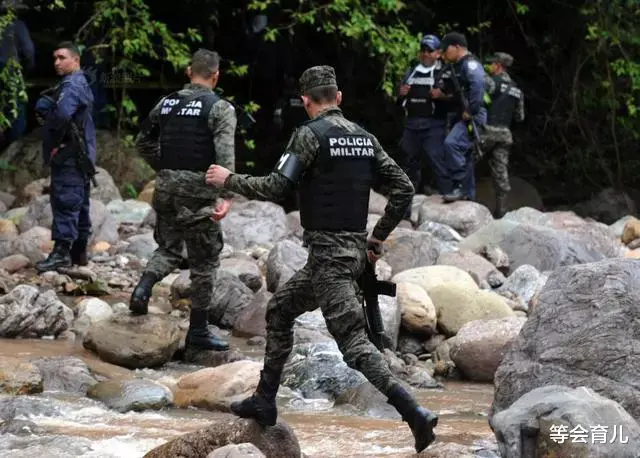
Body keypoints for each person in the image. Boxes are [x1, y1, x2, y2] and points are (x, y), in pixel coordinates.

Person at [206, 65, 438, 453]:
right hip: (344, 257)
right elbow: (404, 187)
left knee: (353, 343)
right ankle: (264, 401)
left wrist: (228, 179)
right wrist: (376, 238)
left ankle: (414, 411)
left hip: (330, 261)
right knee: (279, 310)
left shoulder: (309, 136)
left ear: (305, 101)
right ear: (339, 98)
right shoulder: (364, 138)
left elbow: (278, 185)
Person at [130, 48, 236, 352]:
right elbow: (225, 155)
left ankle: (143, 288)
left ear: (189, 72)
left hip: (165, 189)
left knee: (168, 248)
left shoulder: (167, 103)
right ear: (216, 75)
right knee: (205, 261)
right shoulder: (220, 108)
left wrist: (164, 168)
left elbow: (143, 141)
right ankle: (198, 331)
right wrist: (226, 194)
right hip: (198, 193)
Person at [34, 41, 96, 273]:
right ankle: (78, 252)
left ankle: (61, 253)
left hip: (69, 154)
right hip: (81, 155)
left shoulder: (71, 85)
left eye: (62, 58)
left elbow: (60, 116)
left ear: (76, 60)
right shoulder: (80, 83)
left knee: (66, 201)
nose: (56, 62)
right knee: (79, 202)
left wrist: (48, 119)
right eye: (55, 58)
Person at [397, 34, 451, 201]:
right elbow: (400, 99)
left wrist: (441, 95)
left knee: (438, 162)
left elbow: (455, 99)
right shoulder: (411, 70)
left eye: (430, 50)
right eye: (423, 50)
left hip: (433, 125)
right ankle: (404, 207)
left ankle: (450, 199)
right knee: (408, 164)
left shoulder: (444, 72)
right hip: (411, 124)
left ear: (438, 53)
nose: (426, 54)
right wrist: (400, 93)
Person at [437, 32, 487, 203]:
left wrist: (471, 110)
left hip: (471, 115)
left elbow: (478, 86)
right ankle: (468, 195)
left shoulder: (470, 64)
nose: (444, 53)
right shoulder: (456, 65)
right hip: (461, 114)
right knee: (465, 155)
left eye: (446, 49)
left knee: (452, 144)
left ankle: (460, 186)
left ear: (457, 47)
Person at [483, 52, 525, 217]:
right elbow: (519, 117)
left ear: (498, 65)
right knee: (501, 172)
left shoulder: (491, 82)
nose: (490, 66)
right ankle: (501, 210)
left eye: (492, 64)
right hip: (505, 134)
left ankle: (461, 196)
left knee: (465, 160)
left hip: (487, 132)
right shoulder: (516, 89)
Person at [0, 0, 34, 147]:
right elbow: (28, 51)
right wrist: (26, 70)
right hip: (11, 72)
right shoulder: (17, 25)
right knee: (16, 112)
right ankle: (12, 151)